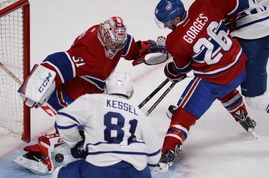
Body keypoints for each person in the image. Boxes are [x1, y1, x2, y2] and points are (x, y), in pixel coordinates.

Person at [12, 16, 166, 174]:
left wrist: (149, 47)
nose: (114, 48)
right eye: (112, 43)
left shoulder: (118, 39)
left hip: (92, 93)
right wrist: (37, 84)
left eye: (118, 45)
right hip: (68, 93)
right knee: (82, 127)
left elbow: (133, 49)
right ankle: (45, 149)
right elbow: (59, 61)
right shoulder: (88, 48)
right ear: (104, 36)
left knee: (97, 127)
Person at [153, 0, 256, 171]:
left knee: (183, 113)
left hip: (216, 79)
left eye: (167, 22)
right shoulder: (205, 2)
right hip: (239, 64)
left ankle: (168, 151)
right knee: (225, 87)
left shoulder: (174, 40)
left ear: (177, 18)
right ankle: (244, 117)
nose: (165, 26)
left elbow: (182, 69)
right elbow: (240, 1)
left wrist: (169, 71)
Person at [183, 0, 269, 120]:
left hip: (252, 38)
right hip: (259, 30)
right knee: (223, 67)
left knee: (256, 99)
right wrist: (249, 10)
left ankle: (189, 108)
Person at [52, 71, 161, 178]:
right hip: (137, 172)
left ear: (106, 87)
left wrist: (76, 143)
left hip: (100, 168)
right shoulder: (140, 114)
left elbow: (63, 119)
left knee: (59, 173)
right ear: (131, 91)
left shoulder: (93, 100)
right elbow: (154, 157)